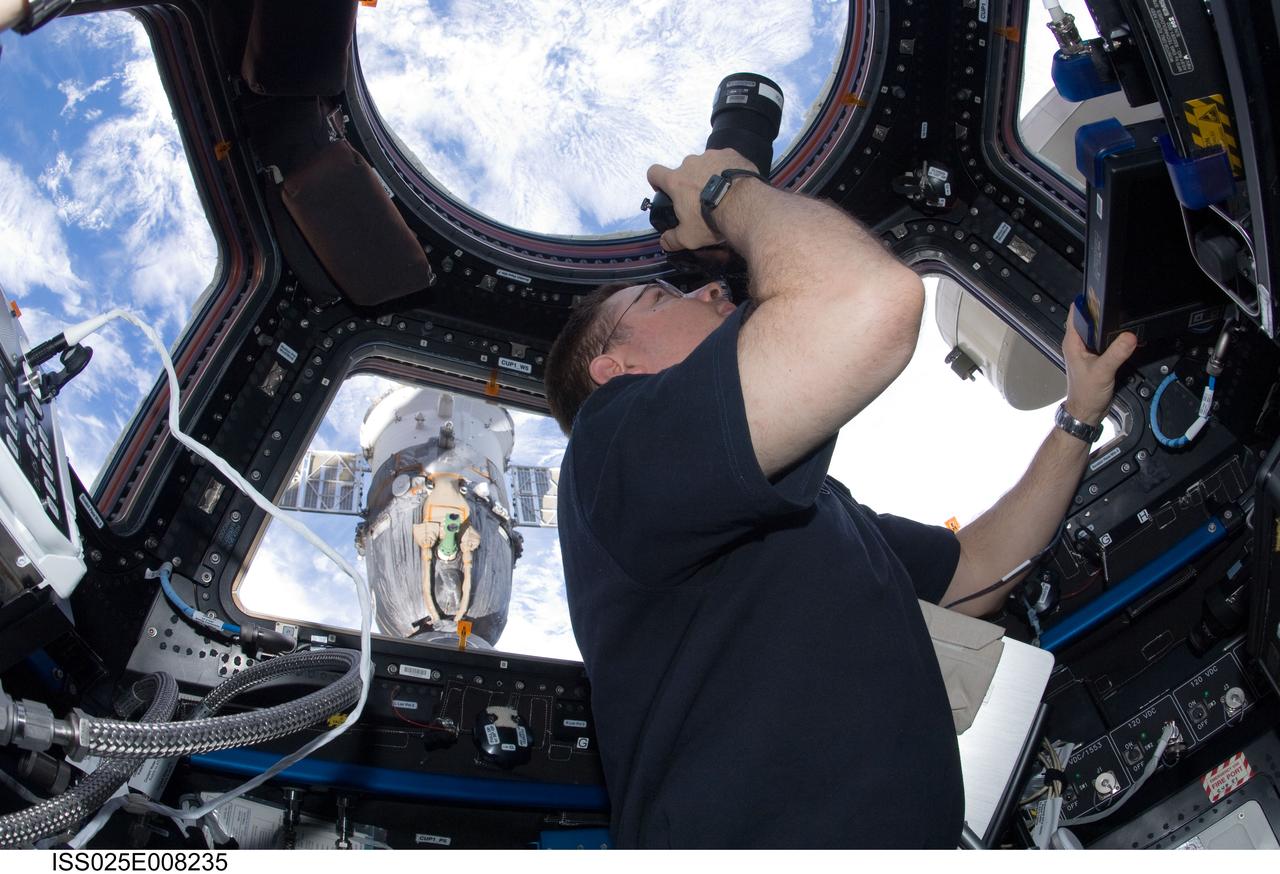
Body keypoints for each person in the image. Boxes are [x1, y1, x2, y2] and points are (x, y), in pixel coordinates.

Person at [542, 148, 1136, 848]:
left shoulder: (813, 508)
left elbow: (977, 572)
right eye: (659, 298)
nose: (705, 291)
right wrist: (727, 193)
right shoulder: (614, 451)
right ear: (617, 370)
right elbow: (868, 302)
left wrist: (1079, 416)